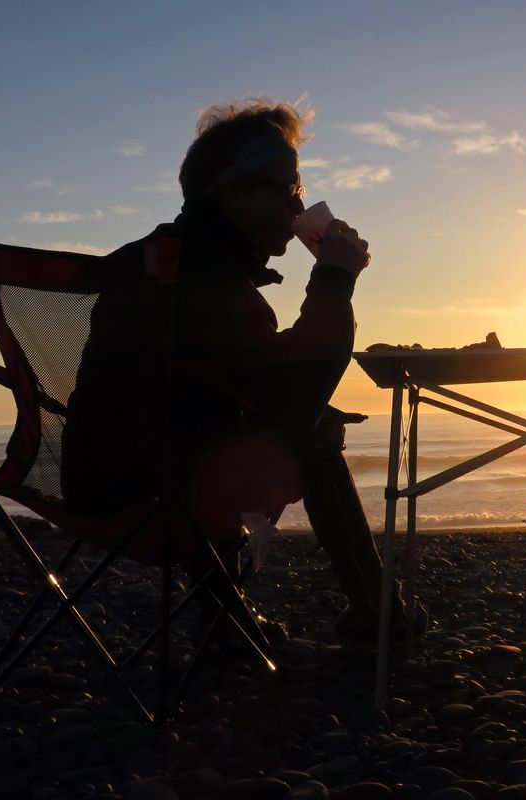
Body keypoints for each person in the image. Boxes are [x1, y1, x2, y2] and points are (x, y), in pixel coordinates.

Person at [61, 99, 418, 645]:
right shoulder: (204, 281)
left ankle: (229, 626)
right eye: (288, 190)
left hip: (91, 487)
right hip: (156, 501)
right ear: (232, 194)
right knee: (314, 431)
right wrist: (334, 278)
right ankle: (378, 613)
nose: (299, 208)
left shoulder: (156, 259)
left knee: (215, 423)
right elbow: (292, 394)